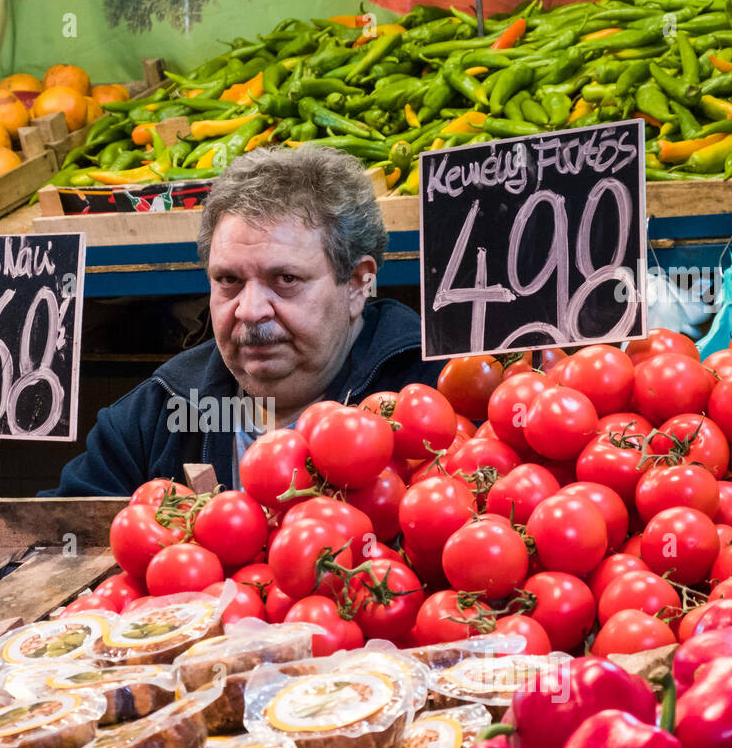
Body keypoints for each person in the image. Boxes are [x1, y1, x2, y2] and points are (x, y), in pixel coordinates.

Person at [45, 145, 440, 497]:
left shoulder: (430, 396)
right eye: (229, 280)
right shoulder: (155, 414)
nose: (250, 310)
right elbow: (59, 545)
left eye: (285, 280)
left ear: (357, 284)